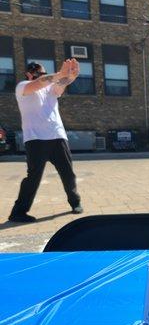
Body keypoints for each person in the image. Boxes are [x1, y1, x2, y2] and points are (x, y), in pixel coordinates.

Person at [8, 60, 83, 223]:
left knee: (68, 174)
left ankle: (75, 202)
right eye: (41, 73)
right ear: (30, 73)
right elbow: (40, 83)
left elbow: (61, 84)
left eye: (45, 73)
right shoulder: (22, 87)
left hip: (57, 136)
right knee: (33, 178)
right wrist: (59, 74)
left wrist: (71, 76)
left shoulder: (51, 89)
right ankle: (18, 213)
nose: (44, 76)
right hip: (35, 139)